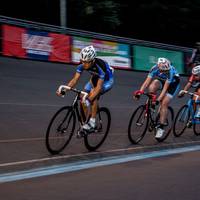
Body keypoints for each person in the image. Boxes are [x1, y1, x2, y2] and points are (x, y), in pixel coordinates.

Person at [56, 45, 114, 132]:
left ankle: (92, 123)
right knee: (83, 95)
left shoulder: (100, 66)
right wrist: (65, 89)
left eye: (87, 62)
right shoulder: (82, 65)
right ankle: (84, 123)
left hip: (107, 81)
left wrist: (89, 100)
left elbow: (98, 87)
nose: (84, 64)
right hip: (94, 78)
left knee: (93, 95)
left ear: (93, 60)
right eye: (82, 61)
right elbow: (74, 80)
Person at [134, 57, 180, 139]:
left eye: (166, 70)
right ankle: (152, 105)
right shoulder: (154, 68)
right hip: (162, 80)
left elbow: (165, 89)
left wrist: (158, 100)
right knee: (153, 84)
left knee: (164, 103)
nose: (165, 72)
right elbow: (146, 83)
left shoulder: (170, 72)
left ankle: (161, 127)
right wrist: (140, 92)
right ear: (158, 66)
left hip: (173, 85)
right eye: (163, 71)